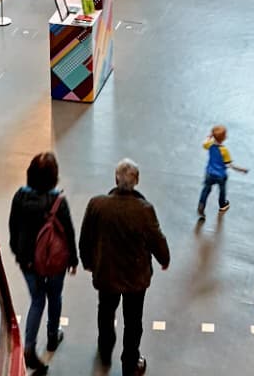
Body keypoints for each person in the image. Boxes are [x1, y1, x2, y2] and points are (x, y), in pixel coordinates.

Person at [79, 158, 170, 376]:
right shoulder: (144, 210)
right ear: (137, 181)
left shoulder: (97, 204)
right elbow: (156, 239)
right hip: (135, 278)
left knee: (105, 311)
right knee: (133, 320)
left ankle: (105, 348)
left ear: (115, 178)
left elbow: (85, 239)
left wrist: (89, 263)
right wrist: (164, 259)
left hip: (106, 274)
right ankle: (130, 363)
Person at [8, 151, 76, 375]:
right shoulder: (57, 201)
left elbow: (13, 228)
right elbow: (68, 232)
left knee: (37, 301)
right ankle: (52, 336)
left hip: (29, 263)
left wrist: (19, 254)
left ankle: (29, 347)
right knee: (55, 296)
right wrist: (73, 259)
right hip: (54, 262)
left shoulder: (20, 197)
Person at [197, 125, 236, 220]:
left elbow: (204, 143)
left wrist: (209, 136)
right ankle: (222, 204)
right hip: (220, 175)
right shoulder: (224, 150)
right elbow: (228, 163)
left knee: (206, 189)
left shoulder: (209, 145)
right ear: (224, 138)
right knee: (222, 189)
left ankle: (201, 205)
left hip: (209, 173)